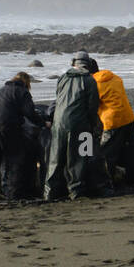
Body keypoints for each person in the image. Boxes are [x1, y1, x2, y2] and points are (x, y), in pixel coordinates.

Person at [44, 52, 110, 200]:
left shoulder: (62, 78)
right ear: (88, 64)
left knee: (56, 158)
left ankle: (50, 192)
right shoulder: (89, 80)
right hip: (79, 124)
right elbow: (92, 107)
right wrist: (93, 126)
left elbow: (58, 100)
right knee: (77, 158)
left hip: (58, 123)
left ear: (74, 63)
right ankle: (76, 191)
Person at [0, 72, 49, 199]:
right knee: (13, 160)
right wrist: (43, 123)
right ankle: (11, 192)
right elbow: (30, 113)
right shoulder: (22, 92)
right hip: (7, 127)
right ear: (26, 82)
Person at [89, 58, 134, 184]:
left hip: (112, 121)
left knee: (105, 153)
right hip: (128, 116)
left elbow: (92, 105)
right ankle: (133, 178)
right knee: (130, 151)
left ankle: (106, 181)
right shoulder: (114, 77)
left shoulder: (93, 84)